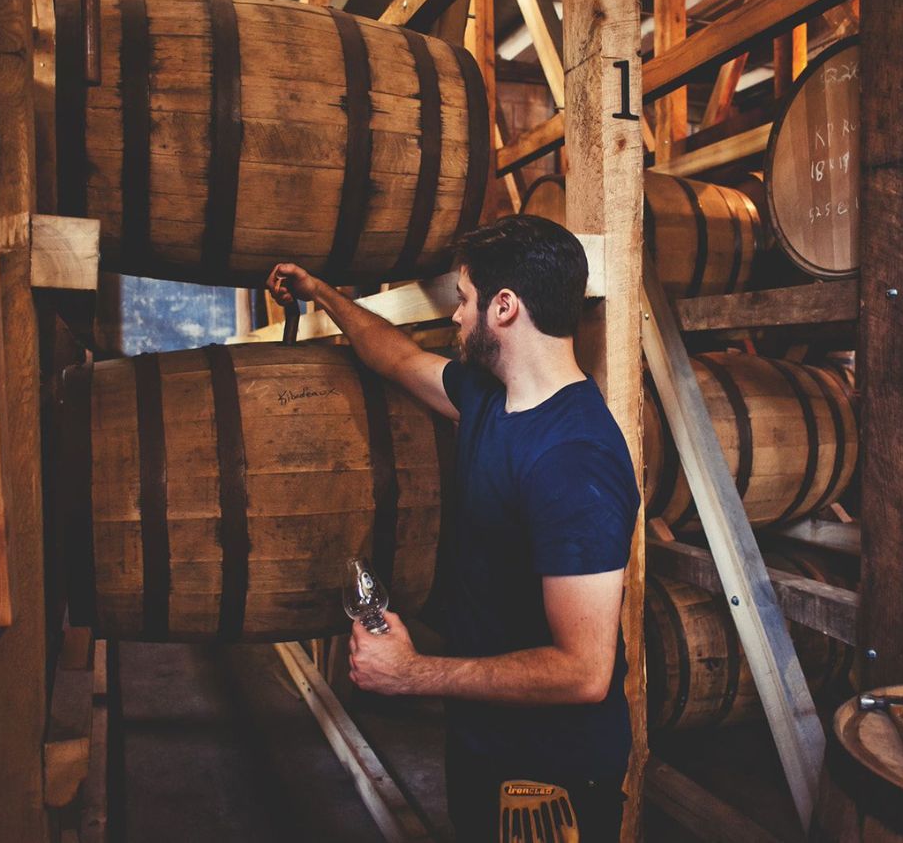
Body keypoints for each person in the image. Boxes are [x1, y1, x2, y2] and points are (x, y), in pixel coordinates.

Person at [266, 215, 639, 842]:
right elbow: (399, 358)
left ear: (504, 307)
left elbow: (584, 672)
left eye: (463, 301)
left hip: (549, 777)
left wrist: (413, 674)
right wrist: (322, 292)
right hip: (484, 742)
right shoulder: (490, 398)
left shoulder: (574, 459)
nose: (455, 318)